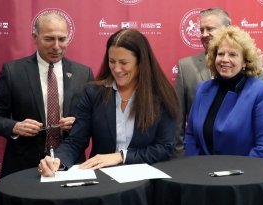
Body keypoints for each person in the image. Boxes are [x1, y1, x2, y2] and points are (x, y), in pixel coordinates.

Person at [38, 28, 180, 177]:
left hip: (145, 185)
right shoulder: (93, 93)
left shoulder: (161, 96)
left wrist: (121, 156)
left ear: (141, 63)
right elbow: (75, 141)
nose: (117, 69)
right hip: (103, 183)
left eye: (124, 63)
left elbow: (164, 148)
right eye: (112, 61)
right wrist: (57, 161)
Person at [0, 12, 94, 177]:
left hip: (70, 165)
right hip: (24, 167)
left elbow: (94, 119)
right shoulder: (13, 71)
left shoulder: (83, 73)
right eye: (49, 39)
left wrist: (78, 123)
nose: (56, 46)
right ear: (35, 37)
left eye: (62, 39)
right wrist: (15, 127)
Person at [175, 8, 263, 156]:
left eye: (209, 29)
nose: (204, 34)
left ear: (227, 30)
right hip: (200, 163)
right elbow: (178, 123)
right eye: (201, 30)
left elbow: (261, 125)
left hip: (243, 162)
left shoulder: (253, 64)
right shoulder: (186, 67)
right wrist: (184, 162)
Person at [185, 25, 263, 159]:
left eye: (232, 54)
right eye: (220, 54)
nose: (225, 59)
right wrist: (199, 168)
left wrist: (233, 176)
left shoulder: (262, 93)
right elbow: (190, 136)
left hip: (246, 177)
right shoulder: (203, 89)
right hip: (203, 176)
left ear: (245, 62)